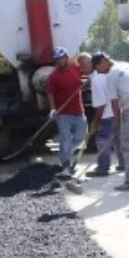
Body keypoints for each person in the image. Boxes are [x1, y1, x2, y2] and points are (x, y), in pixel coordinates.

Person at [92, 52, 129, 190]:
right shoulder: (128, 65)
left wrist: (119, 125)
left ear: (102, 62)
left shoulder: (111, 75)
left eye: (97, 68)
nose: (99, 72)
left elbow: (114, 104)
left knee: (128, 147)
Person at [77, 52, 125, 177]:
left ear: (94, 65)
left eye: (85, 65)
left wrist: (95, 121)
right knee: (117, 140)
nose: (83, 68)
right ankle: (123, 163)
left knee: (102, 140)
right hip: (116, 113)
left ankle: (103, 168)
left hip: (107, 115)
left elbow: (101, 104)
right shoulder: (107, 75)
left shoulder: (98, 79)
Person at [44, 46, 85, 176]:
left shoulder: (76, 69)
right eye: (57, 59)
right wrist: (52, 109)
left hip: (79, 111)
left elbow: (84, 66)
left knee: (80, 138)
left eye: (62, 58)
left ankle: (66, 153)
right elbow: (50, 93)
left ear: (66, 58)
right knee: (65, 139)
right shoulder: (54, 76)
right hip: (64, 114)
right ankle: (65, 163)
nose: (60, 61)